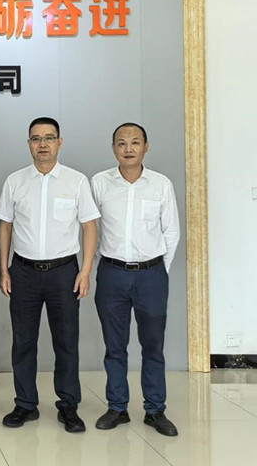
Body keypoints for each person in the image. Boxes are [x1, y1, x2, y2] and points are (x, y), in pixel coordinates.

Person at [0, 117, 99, 433]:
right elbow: (5, 226)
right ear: (29, 143)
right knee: (23, 342)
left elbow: (89, 226)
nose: (42, 144)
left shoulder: (76, 181)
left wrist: (85, 270)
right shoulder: (15, 181)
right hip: (23, 272)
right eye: (36, 138)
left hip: (64, 272)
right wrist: (4, 269)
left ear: (59, 142)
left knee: (66, 342)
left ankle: (68, 405)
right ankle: (25, 404)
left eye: (49, 138)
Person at [91, 123, 180, 437]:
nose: (128, 149)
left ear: (146, 146)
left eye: (135, 142)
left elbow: (171, 232)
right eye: (121, 143)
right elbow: (91, 230)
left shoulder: (161, 184)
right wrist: (102, 266)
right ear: (113, 147)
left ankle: (155, 410)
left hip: (151, 276)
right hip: (112, 274)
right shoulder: (99, 183)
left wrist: (157, 270)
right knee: (114, 346)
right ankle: (117, 407)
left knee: (153, 346)